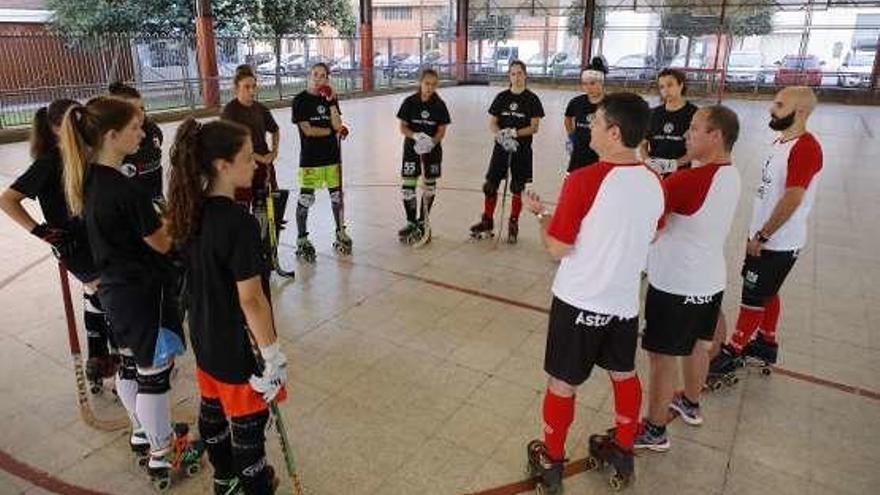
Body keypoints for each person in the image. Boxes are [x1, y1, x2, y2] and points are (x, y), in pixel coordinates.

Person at [522, 93, 664, 493]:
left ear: (614, 133)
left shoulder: (584, 179)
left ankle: (551, 460)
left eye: (596, 122)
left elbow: (557, 249)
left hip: (579, 301)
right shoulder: (654, 180)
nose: (590, 128)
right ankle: (622, 450)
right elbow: (652, 231)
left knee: (562, 382)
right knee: (623, 373)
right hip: (622, 302)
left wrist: (539, 218)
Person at [59, 96, 200, 486]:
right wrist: (179, 217)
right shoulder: (125, 188)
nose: (144, 133)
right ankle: (161, 451)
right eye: (136, 128)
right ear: (112, 135)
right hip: (142, 292)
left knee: (129, 365)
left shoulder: (87, 178)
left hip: (114, 293)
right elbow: (161, 242)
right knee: (155, 373)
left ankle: (143, 430)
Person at [167, 118, 287, 494]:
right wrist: (272, 355)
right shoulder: (238, 222)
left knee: (213, 410)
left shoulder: (189, 208)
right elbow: (250, 298)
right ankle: (252, 483)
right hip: (237, 346)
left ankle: (225, 477)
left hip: (203, 336)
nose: (257, 165)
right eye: (249, 158)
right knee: (248, 426)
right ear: (222, 165)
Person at [634, 105, 742, 452]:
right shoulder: (731, 174)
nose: (686, 134)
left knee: (661, 358)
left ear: (716, 136)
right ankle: (691, 403)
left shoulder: (687, 180)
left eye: (695, 128)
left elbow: (649, 225)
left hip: (674, 284)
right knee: (699, 344)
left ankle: (654, 430)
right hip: (710, 281)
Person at [0, 98, 118, 393]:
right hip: (76, 248)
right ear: (55, 129)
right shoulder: (50, 162)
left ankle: (99, 359)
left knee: (98, 300)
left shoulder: (87, 154)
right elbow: (7, 200)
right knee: (113, 302)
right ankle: (120, 366)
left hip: (97, 241)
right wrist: (42, 231)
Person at [709, 86, 823, 381]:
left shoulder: (806, 148)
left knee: (754, 294)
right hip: (767, 236)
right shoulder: (781, 142)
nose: (772, 108)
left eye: (779, 104)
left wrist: (763, 236)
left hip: (778, 241)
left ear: (799, 112)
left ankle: (734, 349)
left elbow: (793, 197)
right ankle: (766, 341)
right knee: (769, 291)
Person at [469, 60, 545, 244]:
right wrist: (501, 133)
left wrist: (515, 133)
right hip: (501, 148)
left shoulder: (532, 99)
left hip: (522, 150)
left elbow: (534, 127)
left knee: (517, 188)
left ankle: (513, 222)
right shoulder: (502, 97)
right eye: (513, 73)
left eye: (519, 73)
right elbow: (493, 122)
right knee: (490, 186)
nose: (516, 77)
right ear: (509, 76)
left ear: (525, 75)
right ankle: (487, 220)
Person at [291, 62, 351, 260]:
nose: (319, 79)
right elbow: (307, 130)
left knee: (337, 198)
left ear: (327, 79)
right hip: (310, 159)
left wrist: (332, 102)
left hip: (331, 157)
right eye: (315, 74)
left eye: (323, 76)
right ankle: (302, 238)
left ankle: (340, 231)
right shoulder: (300, 100)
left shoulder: (329, 99)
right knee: (306, 199)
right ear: (310, 75)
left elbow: (337, 124)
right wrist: (329, 131)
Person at [220, 64, 285, 234]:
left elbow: (275, 129)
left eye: (253, 86)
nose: (251, 91)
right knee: (242, 206)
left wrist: (274, 152)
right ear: (236, 88)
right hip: (242, 167)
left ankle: (267, 241)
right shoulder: (230, 111)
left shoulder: (260, 109)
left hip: (264, 166)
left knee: (265, 205)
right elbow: (231, 144)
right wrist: (257, 157)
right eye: (246, 87)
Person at [395, 68, 451, 244]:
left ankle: (423, 221)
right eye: (427, 83)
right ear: (420, 83)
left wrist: (431, 142)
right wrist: (415, 136)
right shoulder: (409, 102)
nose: (430, 88)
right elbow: (403, 127)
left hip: (432, 153)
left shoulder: (439, 105)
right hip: (412, 151)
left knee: (429, 187)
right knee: (408, 187)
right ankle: (411, 221)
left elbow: (442, 130)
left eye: (434, 85)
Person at [108, 82, 165, 200]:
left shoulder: (153, 131)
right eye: (133, 110)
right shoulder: (111, 143)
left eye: (142, 108)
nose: (140, 114)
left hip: (155, 199)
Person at [644, 68, 698, 176]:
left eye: (670, 85)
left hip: (680, 173)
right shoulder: (652, 114)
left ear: (681, 85)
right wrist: (648, 161)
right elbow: (643, 143)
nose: (665, 90)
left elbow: (697, 149)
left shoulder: (695, 114)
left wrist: (673, 164)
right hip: (654, 172)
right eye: (662, 87)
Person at [563, 57, 606, 174]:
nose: (588, 88)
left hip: (601, 155)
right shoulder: (576, 102)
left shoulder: (611, 104)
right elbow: (568, 118)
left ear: (602, 82)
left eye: (592, 83)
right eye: (585, 84)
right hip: (579, 154)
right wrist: (571, 135)